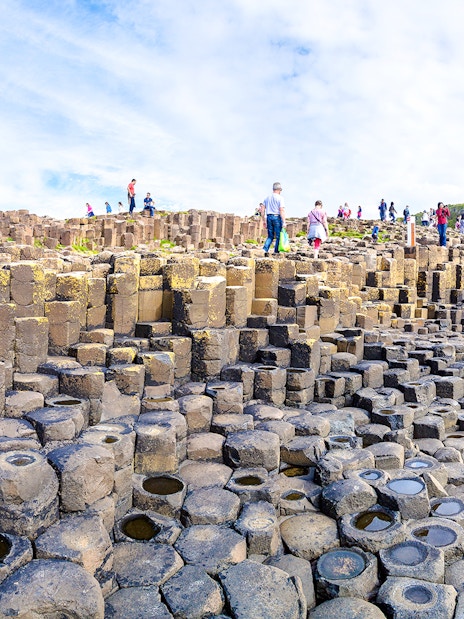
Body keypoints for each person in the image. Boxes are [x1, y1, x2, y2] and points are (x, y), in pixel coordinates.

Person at [262, 182, 286, 256]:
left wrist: (264, 220)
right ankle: (276, 252)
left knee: (270, 236)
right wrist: (284, 221)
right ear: (279, 190)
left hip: (269, 217)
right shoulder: (280, 198)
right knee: (278, 236)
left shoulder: (267, 198)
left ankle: (264, 249)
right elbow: (281, 210)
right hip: (276, 217)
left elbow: (262, 210)